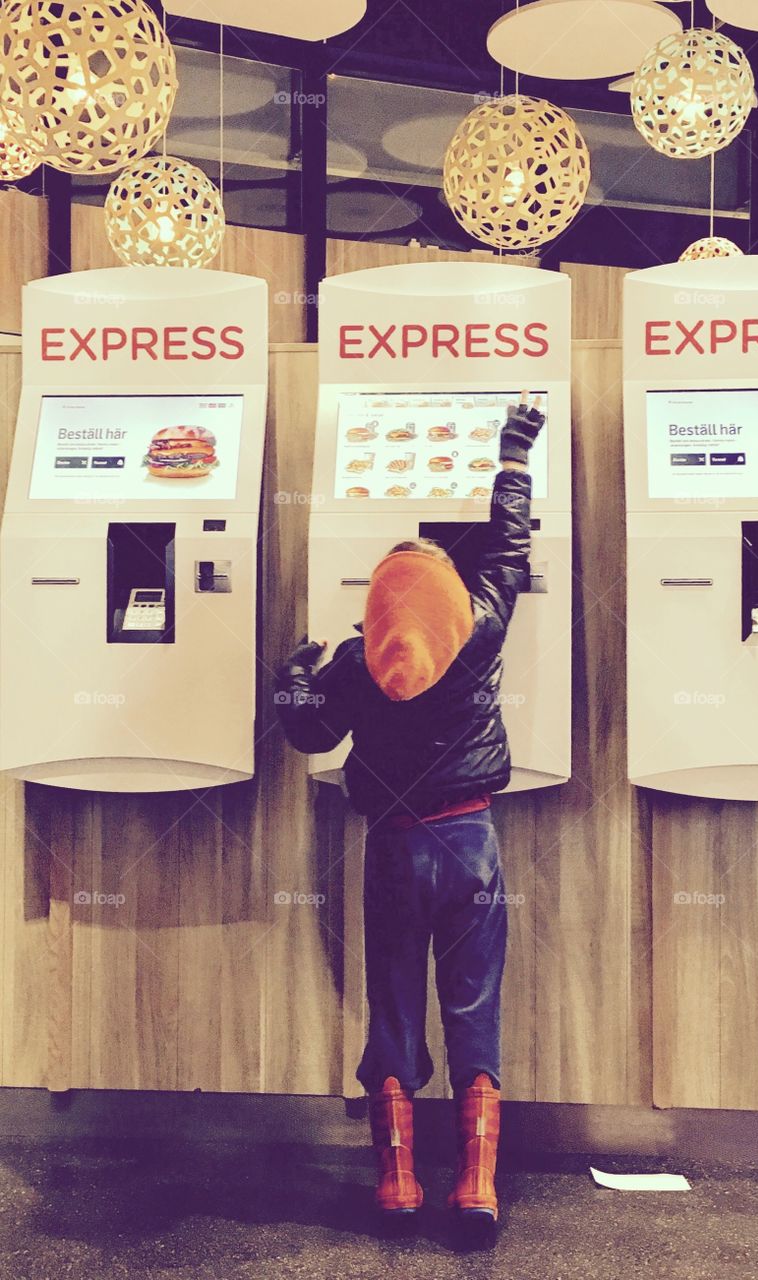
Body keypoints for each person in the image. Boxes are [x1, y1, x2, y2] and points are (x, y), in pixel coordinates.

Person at [275, 393, 545, 1238]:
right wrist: (513, 454)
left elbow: (310, 731)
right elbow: (507, 549)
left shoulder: (357, 663)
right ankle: (475, 1188)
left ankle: (396, 1184)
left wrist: (293, 676)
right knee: (474, 1005)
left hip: (392, 848)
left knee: (392, 1004)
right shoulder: (481, 633)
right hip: (471, 844)